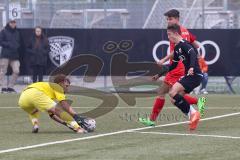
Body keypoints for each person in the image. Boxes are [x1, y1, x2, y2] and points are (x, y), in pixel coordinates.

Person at [139, 9, 206, 126]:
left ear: (177, 19)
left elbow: (177, 51)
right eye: (167, 19)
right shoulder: (184, 31)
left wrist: (164, 60)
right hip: (180, 67)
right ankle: (197, 105)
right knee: (174, 95)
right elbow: (196, 45)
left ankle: (152, 120)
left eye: (170, 19)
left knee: (167, 93)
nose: (168, 21)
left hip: (178, 68)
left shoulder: (175, 33)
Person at [18, 74, 86, 133]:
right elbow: (64, 104)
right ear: (61, 83)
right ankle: (78, 128)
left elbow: (52, 115)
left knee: (33, 112)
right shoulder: (57, 87)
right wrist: (76, 116)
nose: (67, 89)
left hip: (23, 99)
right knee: (58, 110)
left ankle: (35, 125)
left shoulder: (47, 89)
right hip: (36, 93)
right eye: (67, 86)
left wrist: (66, 124)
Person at [167, 24, 203, 130]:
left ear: (176, 33)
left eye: (169, 35)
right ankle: (192, 118)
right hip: (191, 76)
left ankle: (193, 113)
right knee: (174, 100)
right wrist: (159, 74)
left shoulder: (184, 44)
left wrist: (191, 67)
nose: (168, 38)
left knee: (172, 92)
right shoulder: (178, 47)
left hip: (194, 75)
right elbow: (173, 65)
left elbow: (192, 54)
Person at [0, 19, 21, 93]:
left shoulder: (17, 32)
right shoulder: (4, 31)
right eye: (11, 22)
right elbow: (1, 41)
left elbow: (19, 42)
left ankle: (10, 87)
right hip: (5, 55)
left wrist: (16, 46)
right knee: (2, 71)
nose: (13, 24)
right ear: (8, 23)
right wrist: (9, 44)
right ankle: (3, 87)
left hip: (15, 56)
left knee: (16, 71)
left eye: (14, 22)